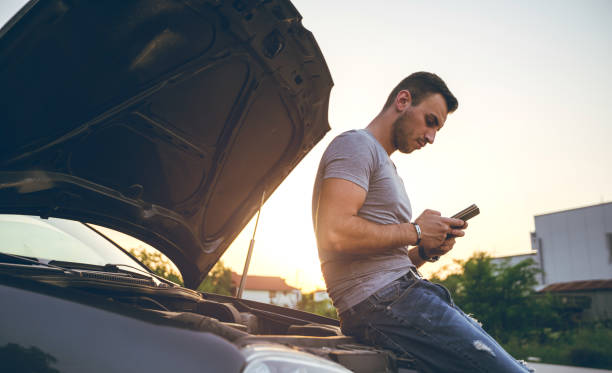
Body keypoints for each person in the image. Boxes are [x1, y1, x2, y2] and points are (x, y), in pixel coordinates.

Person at [312, 72, 532, 372]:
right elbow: (334, 233)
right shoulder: (355, 145)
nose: (431, 137)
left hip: (398, 295)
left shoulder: (386, 165)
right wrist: (416, 230)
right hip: (382, 303)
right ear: (403, 101)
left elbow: (386, 261)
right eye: (430, 121)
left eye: (437, 129)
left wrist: (425, 251)